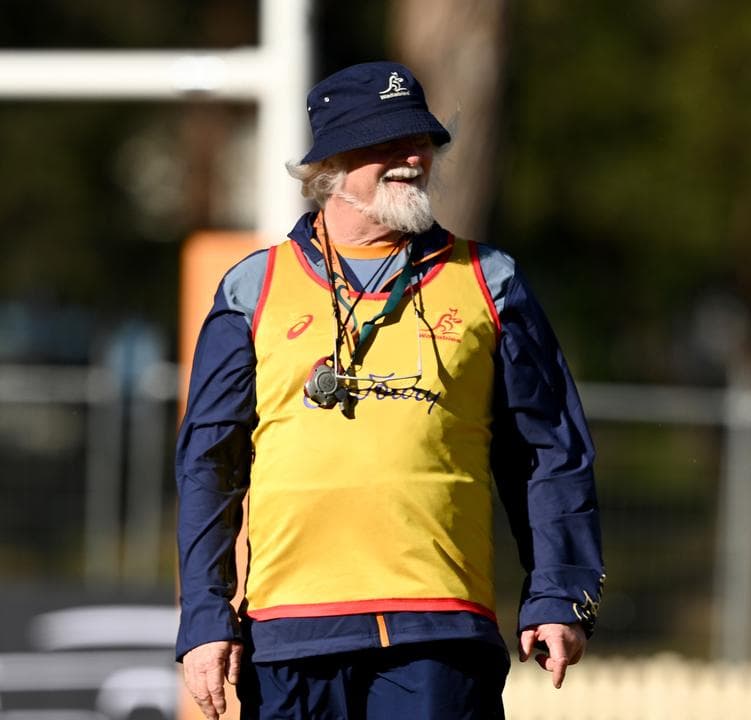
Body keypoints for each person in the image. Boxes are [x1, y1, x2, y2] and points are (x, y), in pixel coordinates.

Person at [175, 61, 604, 719]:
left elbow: (549, 452)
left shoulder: (493, 279)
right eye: (384, 143)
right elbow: (210, 464)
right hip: (289, 634)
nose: (411, 157)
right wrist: (206, 616)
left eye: (421, 141)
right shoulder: (250, 289)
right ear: (330, 168)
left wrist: (557, 591)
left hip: (441, 632)